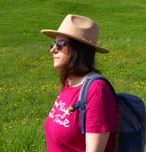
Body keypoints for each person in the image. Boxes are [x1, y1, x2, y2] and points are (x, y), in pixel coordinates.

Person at [41, 14, 118, 152]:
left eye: (60, 44)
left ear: (79, 50)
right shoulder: (69, 84)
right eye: (53, 43)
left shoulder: (97, 90)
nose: (53, 49)